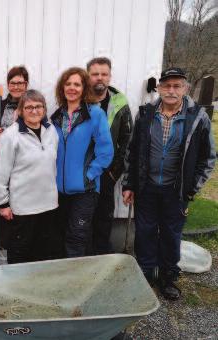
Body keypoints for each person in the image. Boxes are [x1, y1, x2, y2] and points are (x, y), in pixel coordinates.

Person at [122, 67, 215, 300]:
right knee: (144, 232)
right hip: (147, 187)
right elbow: (132, 152)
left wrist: (191, 188)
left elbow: (208, 157)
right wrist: (129, 184)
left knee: (171, 234)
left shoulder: (198, 117)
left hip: (177, 189)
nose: (171, 90)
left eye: (177, 86)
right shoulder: (145, 114)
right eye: (167, 86)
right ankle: (145, 273)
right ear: (159, 88)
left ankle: (167, 277)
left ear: (185, 88)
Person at [50, 67, 113, 258]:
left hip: (85, 190)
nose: (72, 88)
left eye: (77, 84)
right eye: (68, 84)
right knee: (59, 236)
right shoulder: (56, 116)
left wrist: (90, 175)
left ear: (84, 87)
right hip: (58, 191)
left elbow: (106, 151)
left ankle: (76, 283)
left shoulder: (95, 114)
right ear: (62, 88)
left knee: (77, 237)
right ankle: (63, 279)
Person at [0, 89, 61, 264]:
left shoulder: (51, 131)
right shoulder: (11, 136)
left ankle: (37, 286)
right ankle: (18, 286)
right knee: (20, 250)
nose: (34, 111)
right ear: (21, 111)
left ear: (44, 109)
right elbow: (0, 172)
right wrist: (2, 203)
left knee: (44, 250)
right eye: (29, 107)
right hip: (23, 206)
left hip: (48, 204)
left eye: (38, 106)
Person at [87, 57, 133, 254]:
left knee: (103, 216)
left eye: (104, 74)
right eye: (95, 74)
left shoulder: (119, 102)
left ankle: (101, 257)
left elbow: (127, 140)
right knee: (82, 215)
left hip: (107, 172)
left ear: (109, 76)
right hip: (83, 171)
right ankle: (82, 258)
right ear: (88, 76)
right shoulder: (79, 99)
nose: (100, 78)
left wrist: (115, 172)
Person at [0, 66, 29, 138]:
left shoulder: (34, 106)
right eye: (12, 83)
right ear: (8, 85)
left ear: (26, 85)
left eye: (19, 83)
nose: (16, 87)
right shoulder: (0, 105)